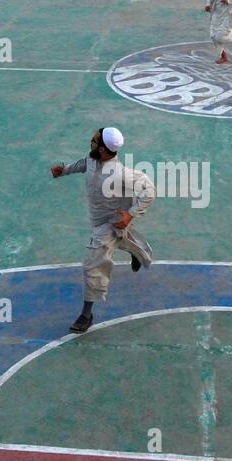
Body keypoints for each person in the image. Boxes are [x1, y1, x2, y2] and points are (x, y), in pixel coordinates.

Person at [50, 127, 155, 334]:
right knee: (119, 239)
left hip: (112, 222)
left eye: (95, 140)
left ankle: (86, 315)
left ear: (104, 150)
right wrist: (63, 170)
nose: (91, 141)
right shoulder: (92, 160)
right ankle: (136, 252)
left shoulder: (119, 174)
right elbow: (82, 165)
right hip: (101, 221)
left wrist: (130, 214)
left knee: (92, 266)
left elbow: (149, 190)